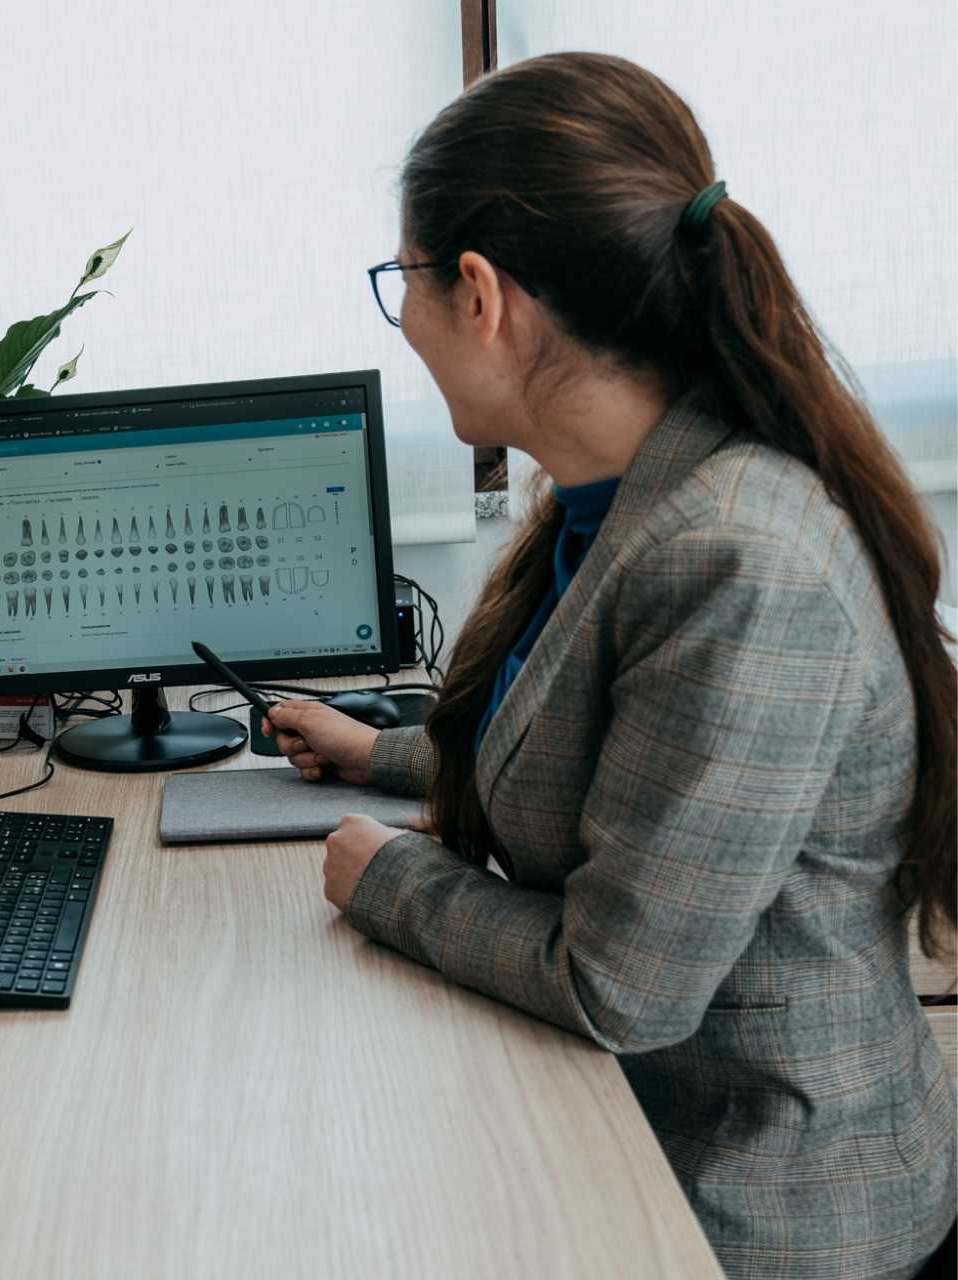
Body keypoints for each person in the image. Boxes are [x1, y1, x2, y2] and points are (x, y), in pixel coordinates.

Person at [265, 52, 956, 1279]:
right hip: (618, 1125)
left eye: (403, 282)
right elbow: (600, 735)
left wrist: (389, 879)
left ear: (479, 294)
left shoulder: (740, 557)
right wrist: (383, 749)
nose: (407, 319)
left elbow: (618, 987)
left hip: (760, 1202)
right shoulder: (621, 491)